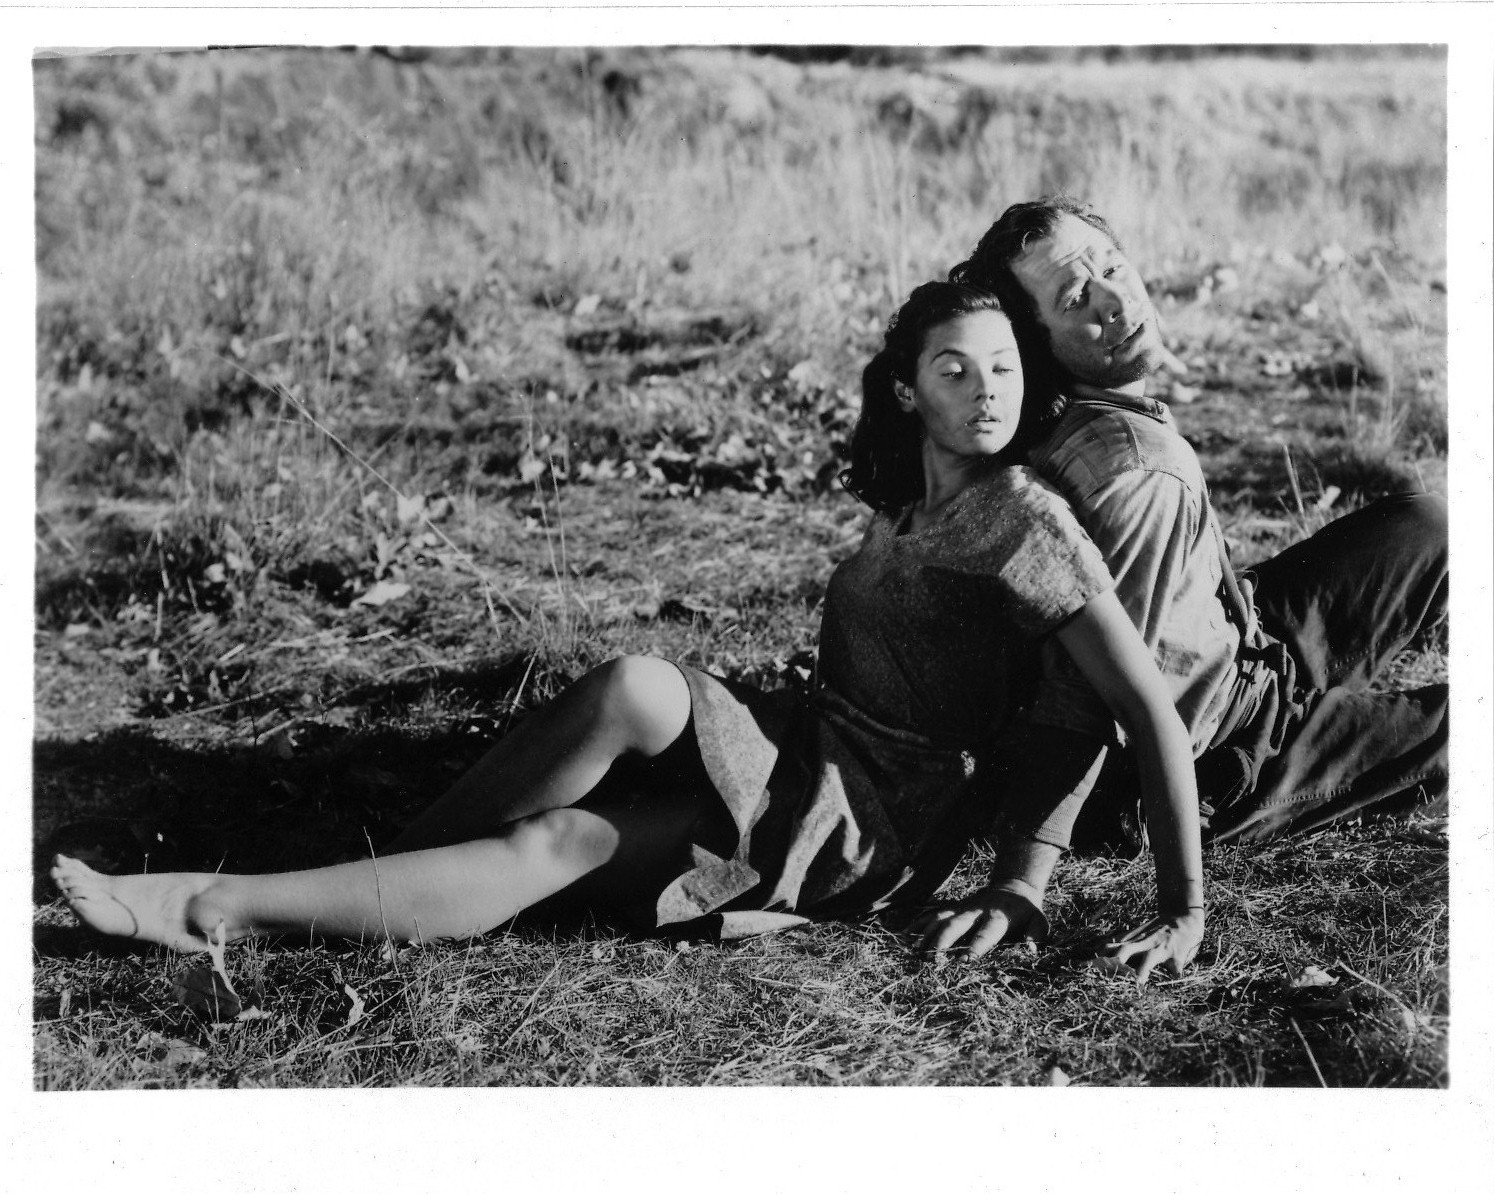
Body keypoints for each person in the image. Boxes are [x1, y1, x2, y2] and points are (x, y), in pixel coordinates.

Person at [53, 282, 1206, 982]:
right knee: (632, 686)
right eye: (955, 369)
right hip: (807, 742)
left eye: (1004, 368)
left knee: (565, 840)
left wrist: (1182, 908)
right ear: (908, 392)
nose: (988, 389)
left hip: (867, 820)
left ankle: (213, 906)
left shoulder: (1028, 522)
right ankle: (379, 882)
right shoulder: (911, 495)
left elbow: (1143, 707)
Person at [916, 196, 1447, 959]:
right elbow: (1085, 697)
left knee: (1430, 525)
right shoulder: (1137, 472)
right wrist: (1021, 881)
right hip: (1221, 746)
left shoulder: (1054, 415)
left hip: (1238, 629)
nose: (1112, 298)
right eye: (1075, 299)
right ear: (1039, 344)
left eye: (1110, 266)